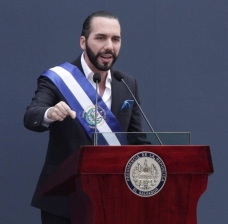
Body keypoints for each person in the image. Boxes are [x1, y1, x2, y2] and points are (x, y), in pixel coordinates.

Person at [24, 11, 144, 224]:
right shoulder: (58, 79)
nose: (109, 46)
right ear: (83, 42)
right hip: (64, 199)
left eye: (115, 39)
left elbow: (137, 139)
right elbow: (32, 115)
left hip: (114, 198)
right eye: (100, 38)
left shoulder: (127, 83)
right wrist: (49, 113)